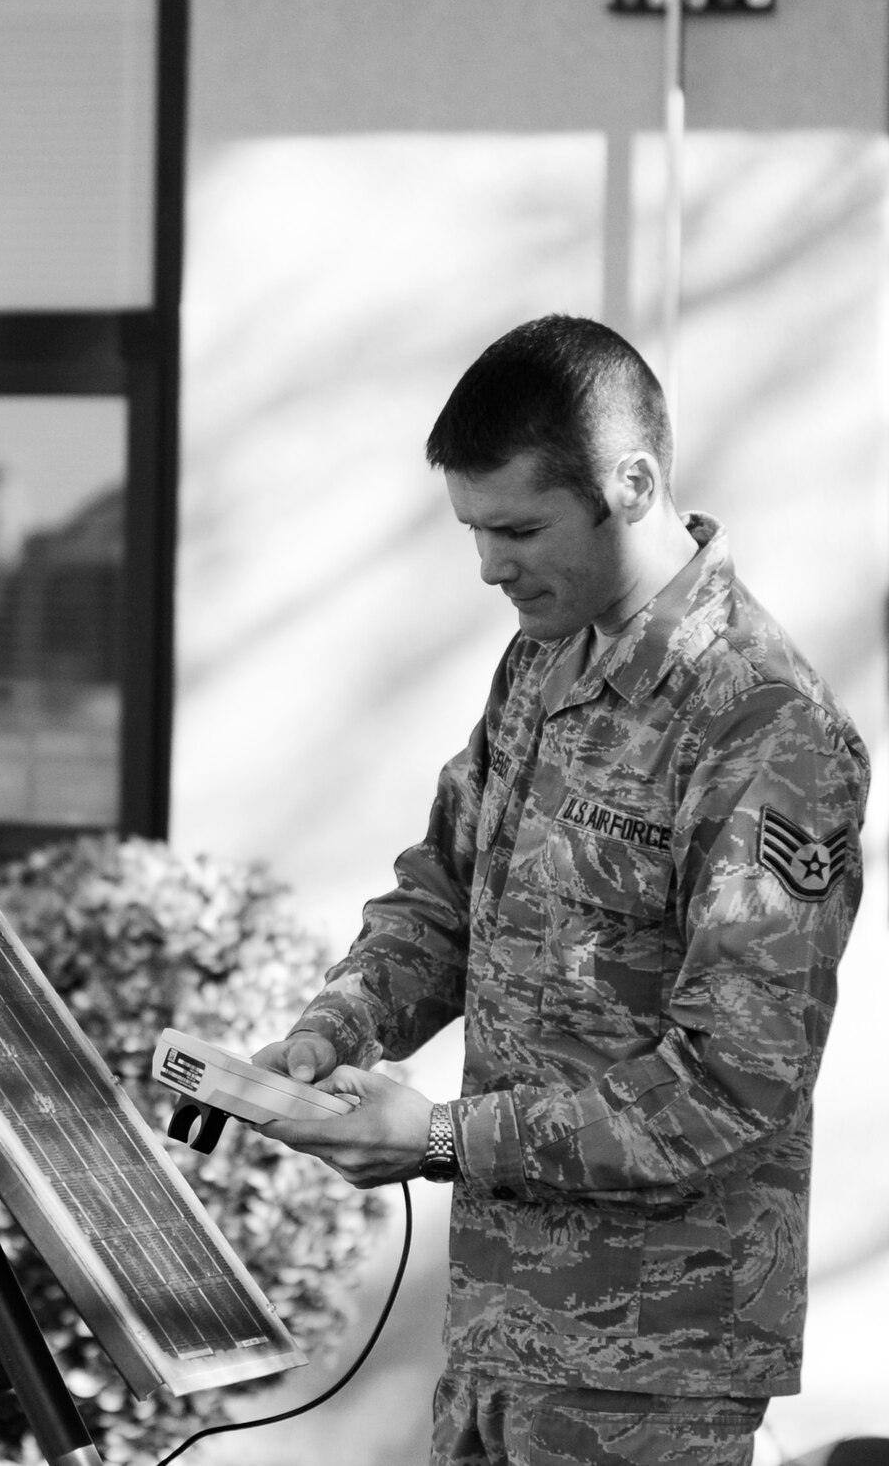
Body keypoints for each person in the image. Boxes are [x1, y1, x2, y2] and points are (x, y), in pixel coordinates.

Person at [250, 315, 869, 1466]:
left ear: (629, 484)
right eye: (473, 531)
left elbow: (731, 1088)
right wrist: (338, 1026)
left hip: (648, 1376)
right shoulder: (543, 657)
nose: (488, 566)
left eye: (518, 527)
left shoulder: (765, 729)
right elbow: (444, 882)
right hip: (500, 1339)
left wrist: (435, 1137)